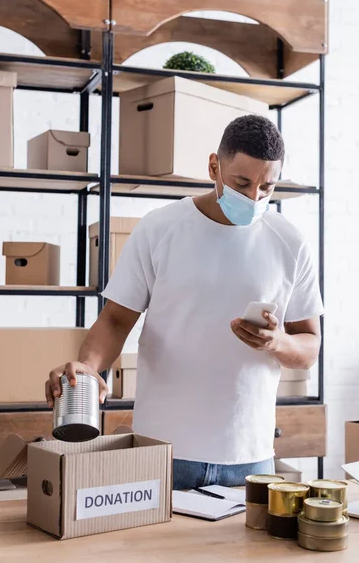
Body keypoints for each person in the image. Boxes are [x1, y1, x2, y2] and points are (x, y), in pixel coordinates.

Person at [46, 115, 323, 490]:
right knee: (151, 551)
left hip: (250, 456)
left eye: (267, 187)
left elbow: (309, 346)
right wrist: (88, 368)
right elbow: (115, 320)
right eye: (243, 183)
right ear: (214, 166)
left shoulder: (290, 243)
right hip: (163, 450)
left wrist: (278, 342)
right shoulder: (160, 228)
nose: (255, 198)